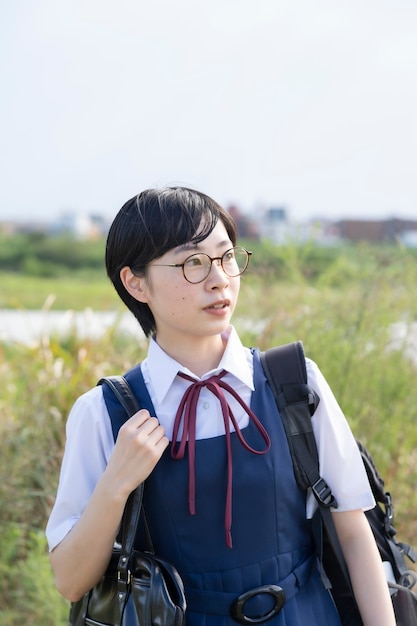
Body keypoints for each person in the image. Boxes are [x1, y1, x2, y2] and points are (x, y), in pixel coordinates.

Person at [46, 186, 396, 625]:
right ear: (135, 283)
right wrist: (115, 484)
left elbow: (353, 532)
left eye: (227, 257)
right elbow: (70, 582)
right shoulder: (105, 413)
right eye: (192, 263)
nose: (219, 279)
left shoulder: (294, 381)